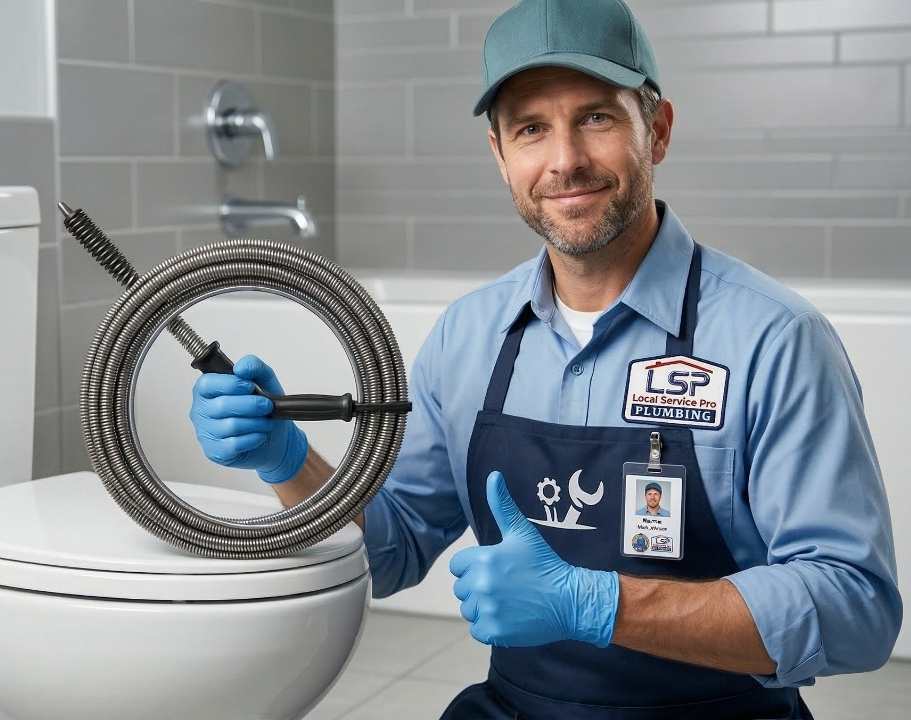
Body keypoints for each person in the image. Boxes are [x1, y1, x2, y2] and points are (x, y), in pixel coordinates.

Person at [188, 0, 901, 717]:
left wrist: (595, 603)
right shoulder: (468, 338)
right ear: (501, 157)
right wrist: (290, 463)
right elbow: (390, 549)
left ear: (656, 131)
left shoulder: (775, 340)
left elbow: (856, 607)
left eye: (596, 117)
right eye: (532, 128)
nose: (566, 161)